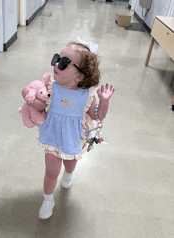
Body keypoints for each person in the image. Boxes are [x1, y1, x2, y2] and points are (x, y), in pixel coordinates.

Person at [37, 42, 115, 219]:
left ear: (79, 76)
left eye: (64, 62)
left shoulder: (86, 95)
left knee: (70, 164)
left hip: (72, 139)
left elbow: (97, 116)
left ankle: (69, 173)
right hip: (52, 136)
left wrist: (104, 101)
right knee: (51, 172)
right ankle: (48, 199)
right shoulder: (51, 87)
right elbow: (36, 99)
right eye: (57, 58)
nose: (56, 64)